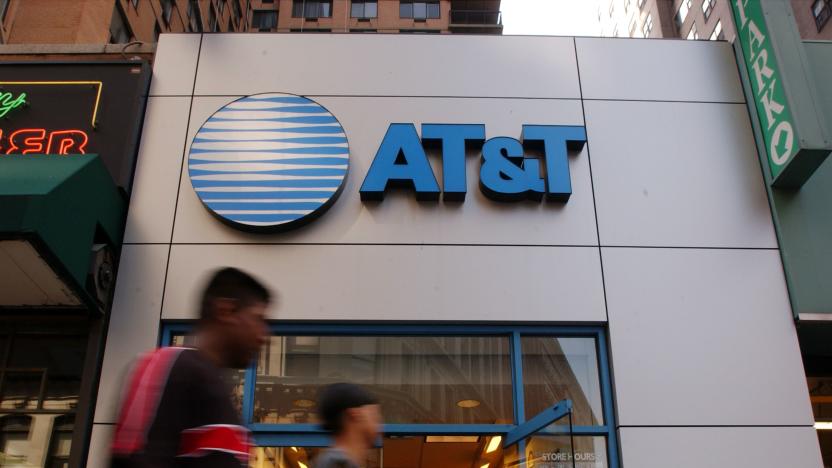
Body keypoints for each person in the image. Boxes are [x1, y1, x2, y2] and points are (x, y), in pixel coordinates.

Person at [110, 267, 270, 468]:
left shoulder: (216, 388)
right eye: (259, 319)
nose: (263, 336)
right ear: (225, 311)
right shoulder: (164, 365)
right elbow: (131, 459)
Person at [313, 383, 382, 468]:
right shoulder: (337, 463)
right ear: (355, 414)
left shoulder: (336, 462)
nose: (379, 423)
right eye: (374, 414)